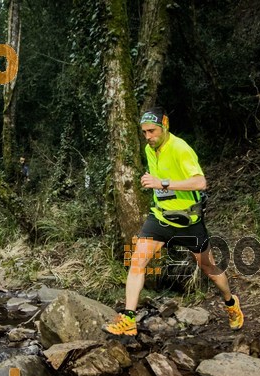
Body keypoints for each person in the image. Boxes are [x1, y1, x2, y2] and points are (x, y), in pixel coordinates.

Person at [104, 107, 244, 336]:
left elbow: (200, 183)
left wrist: (163, 183)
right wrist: (153, 183)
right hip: (160, 217)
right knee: (137, 262)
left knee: (208, 266)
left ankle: (231, 303)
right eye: (144, 133)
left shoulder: (181, 148)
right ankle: (128, 318)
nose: (148, 137)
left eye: (152, 131)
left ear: (164, 127)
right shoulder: (151, 149)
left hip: (188, 220)